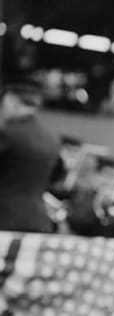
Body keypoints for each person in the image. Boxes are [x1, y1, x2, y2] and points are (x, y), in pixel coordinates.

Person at [0, 76, 61, 233]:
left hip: (5, 221)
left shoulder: (7, 133)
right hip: (38, 222)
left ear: (11, 100)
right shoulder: (51, 138)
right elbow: (58, 176)